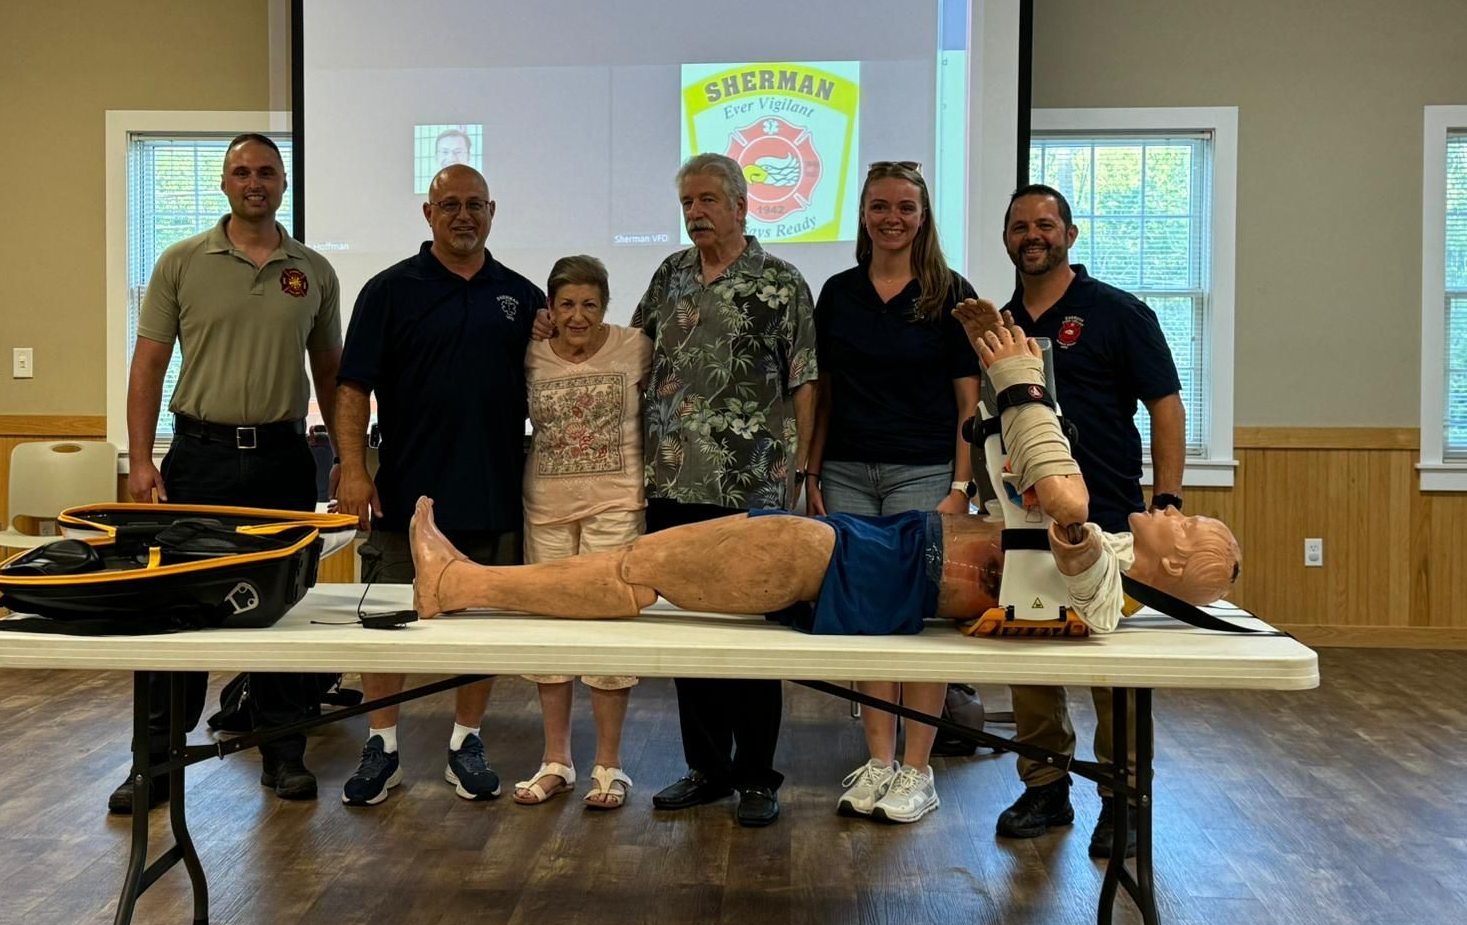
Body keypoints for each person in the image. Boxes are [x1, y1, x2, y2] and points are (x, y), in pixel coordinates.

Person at [404, 326, 1237, 636]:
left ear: (1178, 573)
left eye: (1195, 535)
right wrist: (1011, 397)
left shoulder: (1104, 586)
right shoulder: (1112, 564)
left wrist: (1020, 384)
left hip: (864, 568)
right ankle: (462, 581)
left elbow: (1065, 506)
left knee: (641, 569)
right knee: (643, 565)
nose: (1187, 520)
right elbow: (1042, 499)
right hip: (879, 550)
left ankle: (461, 583)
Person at [113, 132, 342, 812]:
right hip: (200, 459)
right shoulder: (182, 263)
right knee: (176, 611)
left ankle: (284, 755)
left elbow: (330, 374)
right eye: (241, 172)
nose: (254, 183)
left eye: (266, 173)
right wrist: (141, 458)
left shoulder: (313, 271)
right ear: (223, 184)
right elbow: (148, 365)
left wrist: (351, 462)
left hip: (282, 459)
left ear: (283, 184)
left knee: (282, 609)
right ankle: (153, 765)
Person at [975, 183, 1187, 860]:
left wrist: (1169, 500)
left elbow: (1166, 405)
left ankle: (1123, 801)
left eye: (1045, 224)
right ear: (1006, 238)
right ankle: (1045, 787)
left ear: (1070, 232)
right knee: (1032, 668)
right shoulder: (1000, 326)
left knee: (1111, 670)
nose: (1032, 235)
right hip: (1024, 524)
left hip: (1109, 520)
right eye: (1019, 226)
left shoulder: (1119, 313)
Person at [332, 163, 545, 808]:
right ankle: (383, 746)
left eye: (474, 205)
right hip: (405, 487)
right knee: (387, 619)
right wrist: (354, 468)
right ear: (428, 214)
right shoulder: (388, 290)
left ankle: (466, 741)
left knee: (477, 625)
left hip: (493, 488)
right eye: (449, 204)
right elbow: (352, 389)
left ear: (492, 211)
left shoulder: (524, 297)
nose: (462, 215)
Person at [631, 152, 818, 828]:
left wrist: (802, 472)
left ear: (742, 205)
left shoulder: (781, 284)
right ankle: (706, 767)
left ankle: (757, 777)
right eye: (687, 202)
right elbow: (632, 352)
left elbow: (805, 381)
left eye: (708, 200)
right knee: (689, 633)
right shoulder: (670, 276)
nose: (695, 213)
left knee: (752, 637)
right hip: (673, 481)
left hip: (752, 484)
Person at [805, 160, 980, 825]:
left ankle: (918, 769)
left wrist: (961, 485)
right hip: (847, 471)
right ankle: (879, 761)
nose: (892, 218)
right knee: (871, 618)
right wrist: (813, 474)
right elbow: (822, 396)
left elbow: (969, 401)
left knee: (923, 621)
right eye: (880, 206)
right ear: (864, 215)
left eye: (905, 207)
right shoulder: (840, 293)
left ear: (922, 216)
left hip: (922, 473)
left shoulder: (948, 293)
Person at [514, 256, 652, 811]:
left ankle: (609, 765)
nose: (577, 316)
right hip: (545, 508)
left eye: (589, 304)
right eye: (566, 304)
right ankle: (557, 762)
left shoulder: (635, 345)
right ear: (549, 307)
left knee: (610, 636)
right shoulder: (529, 351)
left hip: (617, 506)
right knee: (549, 636)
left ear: (606, 306)